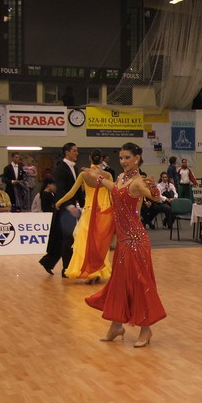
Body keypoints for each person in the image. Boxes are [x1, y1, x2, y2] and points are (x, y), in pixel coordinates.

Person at [83, 142, 166, 348]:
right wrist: (98, 178)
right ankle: (116, 326)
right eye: (121, 158)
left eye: (127, 157)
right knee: (119, 283)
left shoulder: (138, 182)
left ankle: (145, 329)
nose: (123, 161)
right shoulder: (121, 178)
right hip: (123, 241)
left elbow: (155, 197)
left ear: (137, 158)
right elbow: (115, 189)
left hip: (136, 241)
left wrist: (153, 186)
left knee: (140, 284)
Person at [55, 149, 113, 284]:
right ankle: (97, 271)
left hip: (89, 212)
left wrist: (59, 201)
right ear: (101, 159)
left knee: (85, 242)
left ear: (89, 158)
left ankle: (89, 271)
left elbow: (71, 193)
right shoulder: (107, 175)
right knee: (100, 243)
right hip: (103, 212)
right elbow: (113, 194)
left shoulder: (83, 174)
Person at [39, 143, 84, 277]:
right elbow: (61, 191)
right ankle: (66, 269)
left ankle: (48, 262)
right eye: (74, 151)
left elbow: (76, 190)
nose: (77, 153)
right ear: (67, 152)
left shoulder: (74, 168)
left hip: (70, 207)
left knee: (62, 238)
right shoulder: (60, 169)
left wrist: (84, 204)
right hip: (64, 208)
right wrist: (69, 206)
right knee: (68, 238)